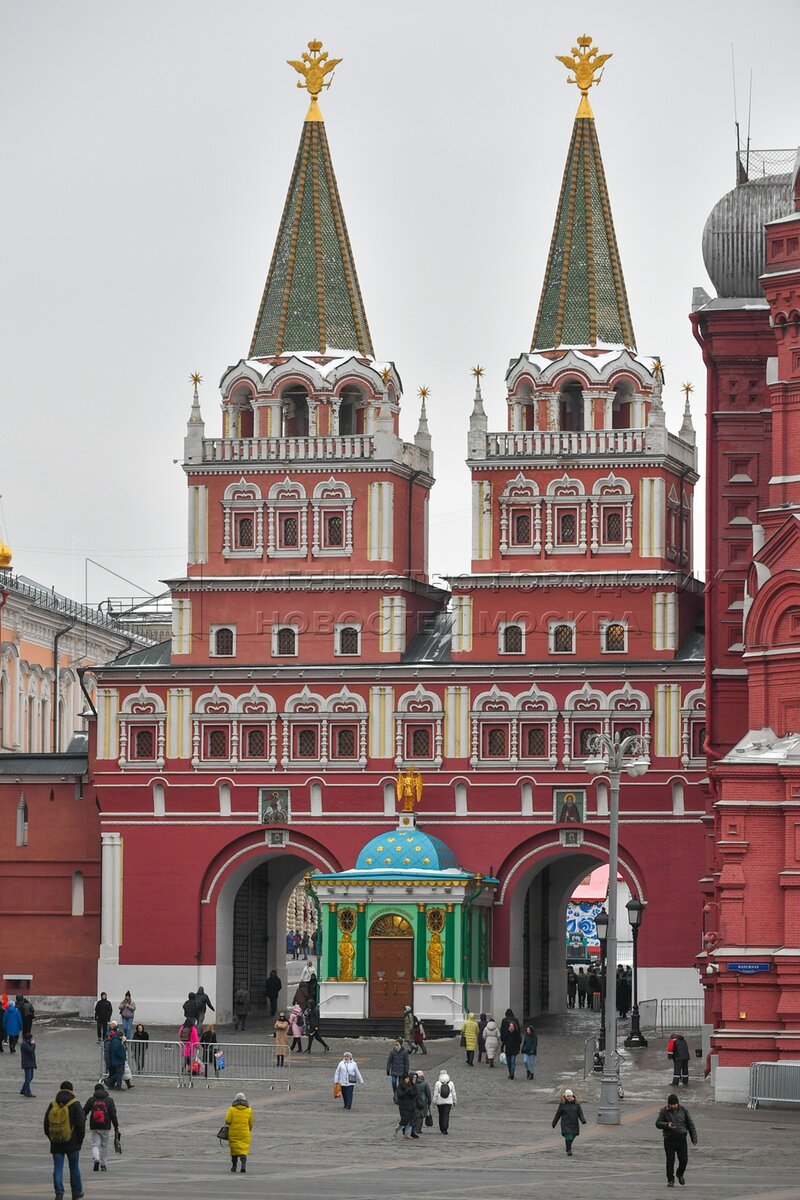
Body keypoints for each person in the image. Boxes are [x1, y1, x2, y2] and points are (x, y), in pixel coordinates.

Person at [44, 1079, 86, 1200]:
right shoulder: (75, 1104)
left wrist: (52, 1138)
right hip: (72, 1143)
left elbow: (46, 1124)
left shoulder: (53, 1104)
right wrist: (80, 1140)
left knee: (58, 1168)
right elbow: (81, 1124)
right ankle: (76, 1192)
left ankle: (59, 1192)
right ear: (71, 1090)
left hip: (56, 1143)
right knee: (74, 1168)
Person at [656, 1092, 698, 1187]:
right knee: (670, 1160)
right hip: (669, 1139)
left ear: (677, 1103)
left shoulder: (684, 1111)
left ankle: (680, 1174)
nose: (672, 1106)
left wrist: (694, 1138)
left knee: (684, 1160)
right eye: (671, 1105)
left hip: (681, 1139)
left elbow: (690, 1125)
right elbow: (658, 1123)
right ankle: (670, 1180)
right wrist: (666, 1125)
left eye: (674, 1104)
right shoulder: (664, 1111)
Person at [83, 1082, 119, 1173]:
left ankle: (96, 1159)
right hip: (105, 1126)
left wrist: (82, 1121)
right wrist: (116, 1126)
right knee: (104, 1145)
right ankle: (103, 1164)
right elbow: (113, 1114)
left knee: (95, 1144)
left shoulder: (91, 1099)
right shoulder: (109, 1100)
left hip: (94, 1125)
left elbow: (84, 1111)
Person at [551, 1088, 587, 1156]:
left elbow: (580, 1113)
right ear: (565, 1097)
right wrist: (554, 1122)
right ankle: (569, 1150)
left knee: (573, 1135)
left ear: (572, 1096)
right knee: (568, 1136)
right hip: (565, 1123)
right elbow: (558, 1114)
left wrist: (583, 1120)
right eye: (567, 1096)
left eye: (570, 1096)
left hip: (574, 1123)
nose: (569, 1097)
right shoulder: (562, 1104)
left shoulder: (576, 1104)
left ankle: (568, 1147)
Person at [224, 1091, 253, 1173]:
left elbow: (227, 1120)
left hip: (233, 1132)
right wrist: (248, 1130)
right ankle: (243, 1165)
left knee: (234, 1150)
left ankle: (234, 1166)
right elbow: (251, 1123)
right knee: (243, 1150)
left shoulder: (231, 1109)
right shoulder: (249, 1110)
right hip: (244, 1133)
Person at [432, 1068, 456, 1134]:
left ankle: (441, 1128)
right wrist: (454, 1101)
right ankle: (445, 1128)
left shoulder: (438, 1083)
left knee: (441, 1114)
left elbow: (435, 1093)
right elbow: (453, 1093)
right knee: (446, 1114)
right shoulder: (451, 1083)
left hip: (440, 1101)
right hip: (448, 1101)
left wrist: (434, 1102)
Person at [395, 1072, 418, 1138]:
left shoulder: (411, 1085)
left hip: (411, 1106)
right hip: (403, 1106)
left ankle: (407, 1134)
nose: (408, 1079)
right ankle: (397, 1129)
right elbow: (400, 1095)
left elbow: (414, 1095)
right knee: (404, 1120)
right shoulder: (401, 1085)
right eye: (406, 1078)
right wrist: (407, 1091)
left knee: (410, 1120)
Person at [412, 1068, 432, 1135]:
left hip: (415, 1099)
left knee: (415, 1113)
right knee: (421, 1114)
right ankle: (418, 1129)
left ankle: (414, 1128)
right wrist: (429, 1101)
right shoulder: (425, 1083)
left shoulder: (414, 1082)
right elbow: (428, 1093)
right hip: (423, 1100)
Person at [20, 1031, 36, 1097]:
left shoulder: (27, 1043)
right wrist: (33, 1044)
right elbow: (30, 1050)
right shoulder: (24, 1044)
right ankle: (27, 1091)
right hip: (27, 1063)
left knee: (30, 1077)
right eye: (31, 1039)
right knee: (28, 1078)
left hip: (30, 1062)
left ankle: (23, 1089)